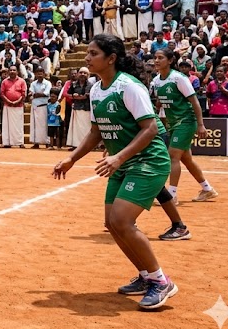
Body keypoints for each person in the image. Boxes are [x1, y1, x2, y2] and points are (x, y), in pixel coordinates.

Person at [52, 34, 178, 310]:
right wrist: (71, 158)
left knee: (122, 221)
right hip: (124, 162)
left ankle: (161, 281)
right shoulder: (97, 89)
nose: (87, 58)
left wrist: (118, 157)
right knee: (112, 223)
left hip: (148, 160)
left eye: (93, 53)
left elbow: (151, 129)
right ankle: (147, 277)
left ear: (111, 59)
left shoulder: (129, 87)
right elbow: (96, 132)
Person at [150, 49, 219, 208]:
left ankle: (172, 196)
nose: (157, 60)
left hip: (186, 121)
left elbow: (195, 102)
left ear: (170, 60)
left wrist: (201, 125)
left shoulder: (178, 78)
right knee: (186, 159)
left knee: (172, 156)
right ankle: (207, 189)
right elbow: (161, 102)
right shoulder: (157, 81)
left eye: (161, 58)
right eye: (155, 58)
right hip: (173, 123)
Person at [0, 66, 27, 148]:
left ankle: (19, 142)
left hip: (18, 106)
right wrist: (9, 101)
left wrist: (16, 101)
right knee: (6, 125)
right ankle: (7, 142)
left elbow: (23, 94)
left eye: (14, 70)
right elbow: (2, 93)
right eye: (10, 70)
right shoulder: (4, 81)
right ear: (8, 72)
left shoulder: (22, 81)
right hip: (7, 106)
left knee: (18, 125)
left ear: (17, 72)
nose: (12, 71)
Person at [28, 68, 52, 149]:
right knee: (35, 126)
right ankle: (36, 142)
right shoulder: (33, 83)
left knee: (45, 125)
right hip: (35, 106)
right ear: (35, 74)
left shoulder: (47, 83)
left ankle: (47, 142)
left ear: (44, 74)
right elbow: (31, 93)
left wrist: (35, 94)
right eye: (38, 73)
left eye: (41, 73)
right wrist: (35, 94)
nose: (39, 75)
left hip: (44, 106)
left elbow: (46, 94)